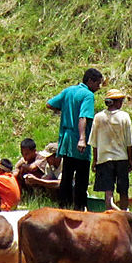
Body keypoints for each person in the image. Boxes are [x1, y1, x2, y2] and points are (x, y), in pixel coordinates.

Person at [46, 68, 103, 211]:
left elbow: (50, 104)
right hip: (78, 141)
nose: (99, 87)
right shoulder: (88, 95)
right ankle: (79, 208)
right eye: (97, 83)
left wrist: (65, 111)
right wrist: (82, 138)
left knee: (67, 175)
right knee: (81, 178)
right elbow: (83, 117)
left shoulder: (69, 91)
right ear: (90, 81)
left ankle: (63, 207)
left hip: (65, 140)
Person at [90, 88, 132, 210]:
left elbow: (94, 143)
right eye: (120, 101)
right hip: (121, 158)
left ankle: (110, 212)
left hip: (104, 158)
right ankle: (124, 213)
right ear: (116, 102)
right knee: (123, 190)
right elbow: (129, 142)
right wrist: (130, 160)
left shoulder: (98, 117)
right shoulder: (124, 116)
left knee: (108, 191)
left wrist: (95, 160)